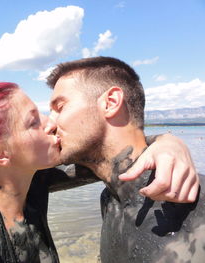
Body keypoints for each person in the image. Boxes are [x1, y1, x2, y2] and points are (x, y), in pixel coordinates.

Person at [0, 82, 198, 263]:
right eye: (33, 122)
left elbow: (107, 158)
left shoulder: (33, 184)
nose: (51, 123)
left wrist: (167, 142)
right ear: (0, 153)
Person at [47, 56, 204, 262]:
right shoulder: (110, 198)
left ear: (111, 103)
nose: (49, 124)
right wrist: (166, 138)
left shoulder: (196, 202)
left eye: (60, 107)